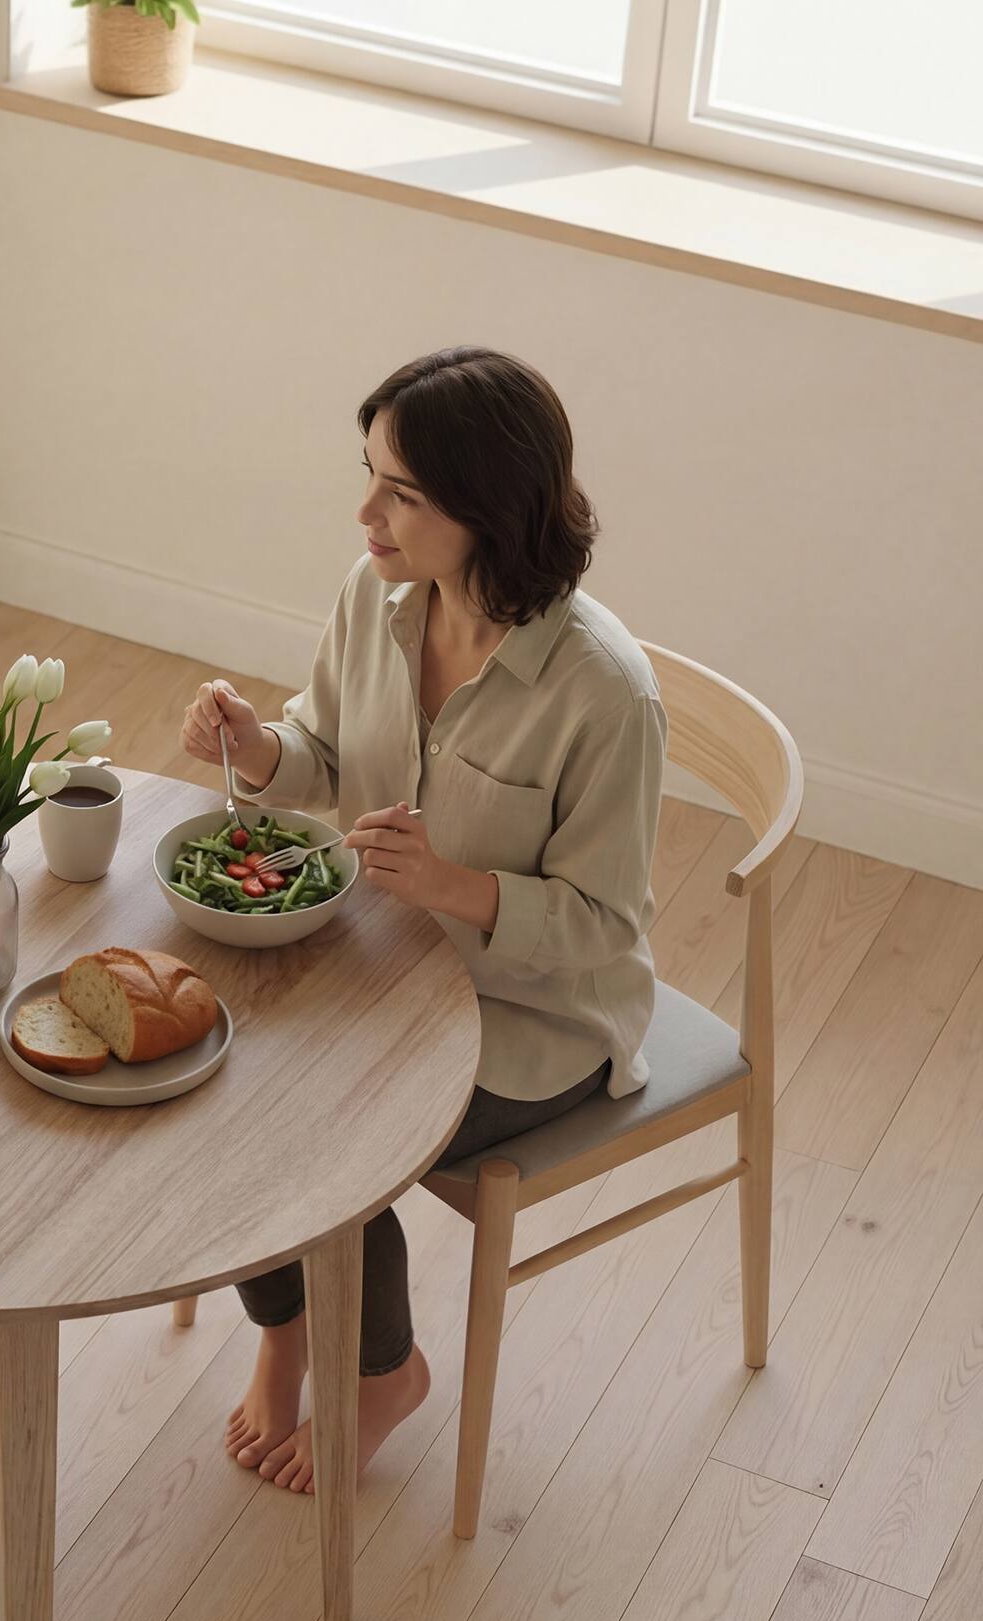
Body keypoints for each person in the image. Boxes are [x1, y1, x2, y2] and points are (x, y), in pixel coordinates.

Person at [180, 346, 666, 1494]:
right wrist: (255, 747)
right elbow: (320, 751)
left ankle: (381, 1371)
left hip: (532, 1019)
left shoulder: (604, 693)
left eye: (398, 493)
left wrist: (453, 884)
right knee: (208, 1081)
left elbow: (605, 921)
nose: (365, 514)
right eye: (368, 476)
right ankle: (288, 1332)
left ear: (486, 510)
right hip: (374, 969)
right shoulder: (376, 593)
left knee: (318, 1138)